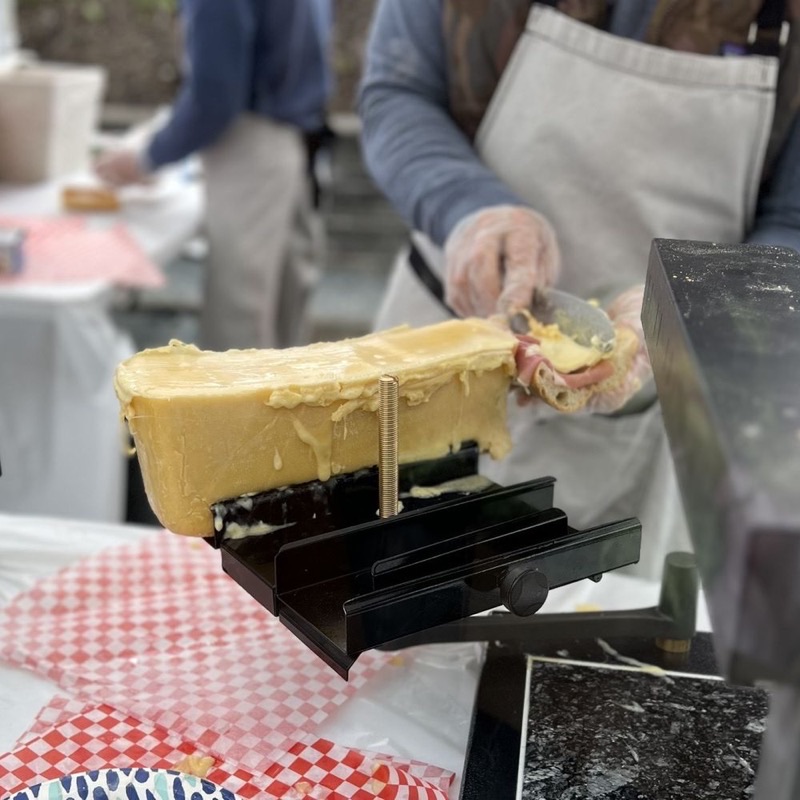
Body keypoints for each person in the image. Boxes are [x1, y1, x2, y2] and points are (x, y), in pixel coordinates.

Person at [359, 0, 800, 579]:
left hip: (647, 407)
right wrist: (466, 207)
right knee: (387, 610)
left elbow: (791, 220)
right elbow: (399, 90)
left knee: (581, 643)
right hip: (437, 358)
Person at [96, 0, 334, 352]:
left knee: (239, 328)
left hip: (255, 144)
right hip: (298, 135)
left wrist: (147, 158)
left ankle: (242, 410)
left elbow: (215, 96)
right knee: (285, 324)